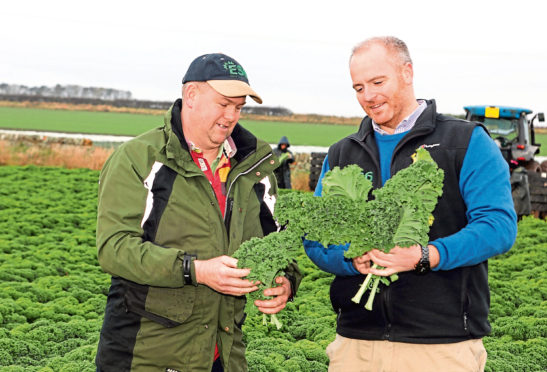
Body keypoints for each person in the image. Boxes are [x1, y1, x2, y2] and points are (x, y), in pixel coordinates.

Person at [304, 36, 517, 372]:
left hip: (440, 345)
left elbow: (498, 227)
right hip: (356, 344)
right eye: (358, 87)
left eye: (377, 82)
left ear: (407, 72)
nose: (369, 96)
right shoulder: (342, 153)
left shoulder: (464, 142)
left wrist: (425, 255)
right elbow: (314, 236)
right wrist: (350, 258)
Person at [94, 53, 301, 372]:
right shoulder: (139, 159)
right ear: (191, 95)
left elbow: (278, 243)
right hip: (145, 356)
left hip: (223, 354)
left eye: (239, 106)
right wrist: (196, 270)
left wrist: (285, 281)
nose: (231, 116)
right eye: (223, 104)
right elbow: (114, 248)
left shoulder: (253, 169)